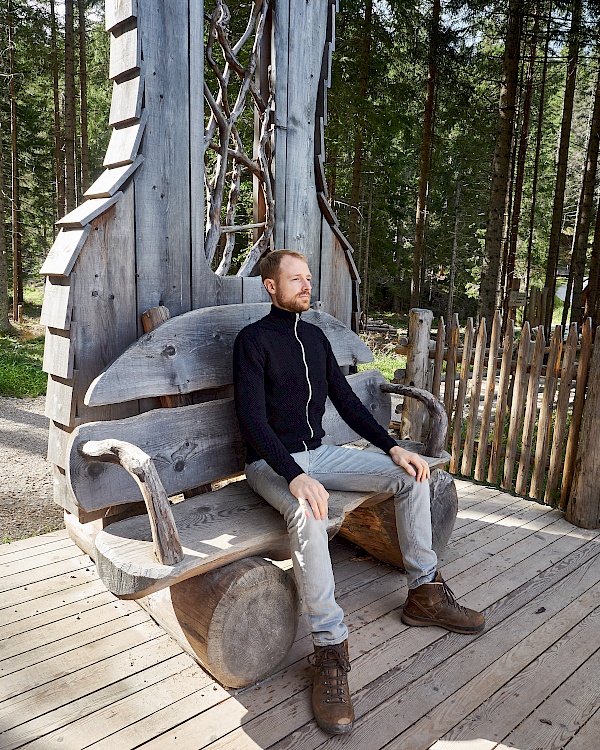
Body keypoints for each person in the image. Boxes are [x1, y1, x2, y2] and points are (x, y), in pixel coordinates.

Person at [233, 249, 484, 735]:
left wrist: (392, 448)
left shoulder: (315, 337)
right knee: (308, 514)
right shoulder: (253, 342)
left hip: (320, 455)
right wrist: (293, 474)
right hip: (269, 463)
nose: (307, 286)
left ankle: (425, 592)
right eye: (296, 280)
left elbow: (346, 401)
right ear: (270, 286)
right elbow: (252, 420)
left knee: (411, 475)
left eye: (308, 278)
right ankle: (329, 649)